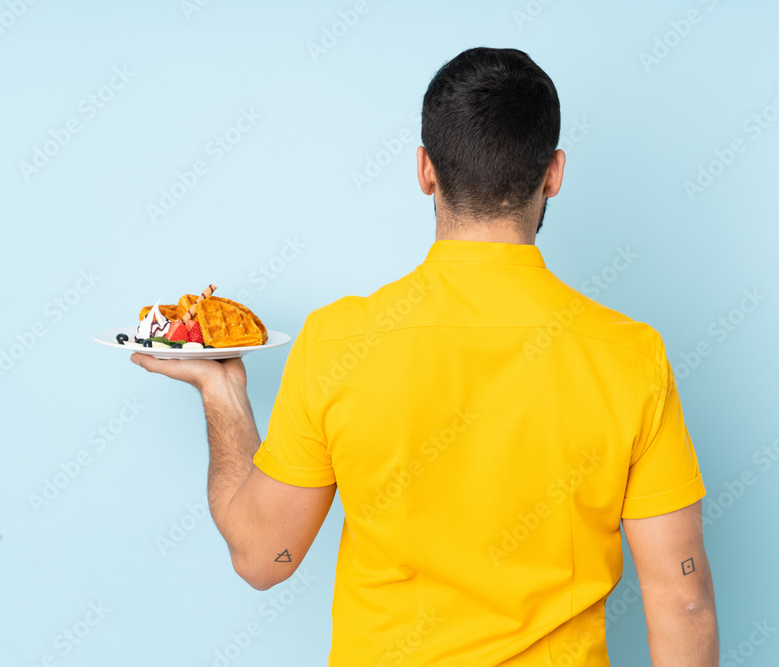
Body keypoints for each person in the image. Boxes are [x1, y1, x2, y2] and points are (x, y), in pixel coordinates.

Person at [131, 46, 719, 666]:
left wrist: (222, 395)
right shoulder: (629, 356)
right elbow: (683, 600)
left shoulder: (336, 342)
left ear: (424, 171)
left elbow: (261, 559)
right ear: (553, 174)